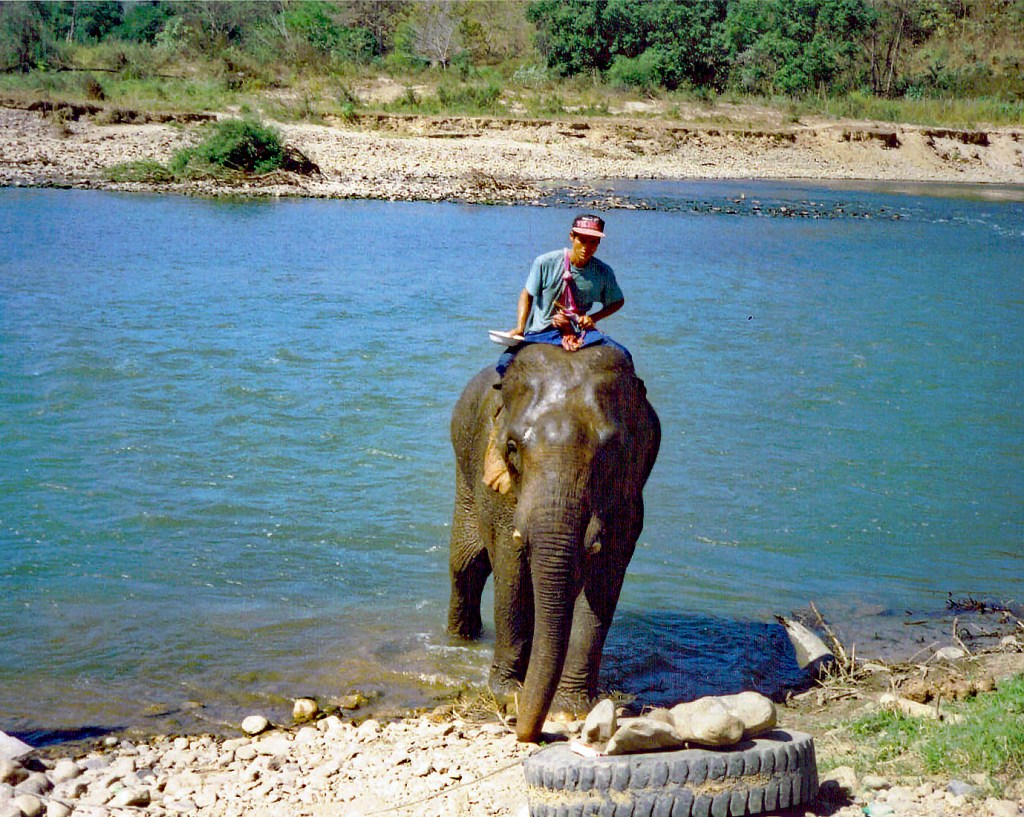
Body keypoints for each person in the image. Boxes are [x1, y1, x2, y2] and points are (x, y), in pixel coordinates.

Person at [496, 214, 630, 376]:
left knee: (624, 355)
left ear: (598, 243)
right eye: (582, 240)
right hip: (541, 332)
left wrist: (593, 318)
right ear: (572, 237)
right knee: (504, 364)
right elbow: (527, 294)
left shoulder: (603, 272)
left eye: (593, 242)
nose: (587, 247)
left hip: (579, 334)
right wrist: (520, 328)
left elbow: (617, 301)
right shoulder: (545, 262)